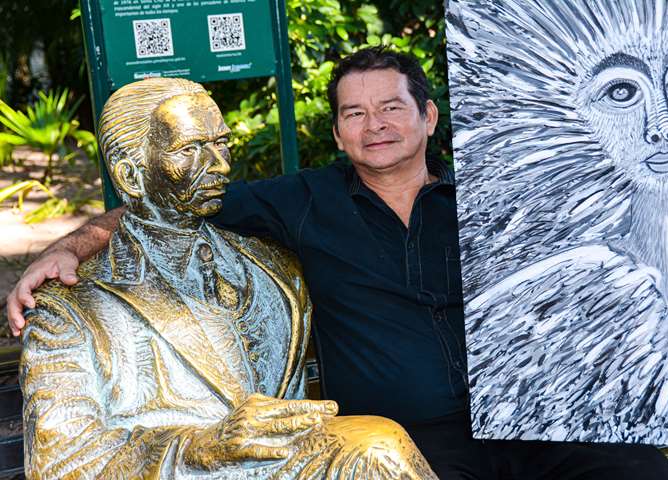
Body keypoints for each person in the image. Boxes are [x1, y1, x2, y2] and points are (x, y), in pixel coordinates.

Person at [7, 47, 668, 479]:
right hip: (421, 441)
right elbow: (150, 208)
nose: (374, 125)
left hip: (532, 422)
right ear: (335, 132)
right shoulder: (298, 204)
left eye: (391, 107)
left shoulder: (496, 195)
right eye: (353, 113)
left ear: (427, 116)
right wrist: (71, 244)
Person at [19, 77, 435, 479]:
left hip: (287, 466)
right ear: (130, 174)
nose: (219, 165)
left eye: (222, 144)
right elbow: (60, 462)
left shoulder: (274, 272)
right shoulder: (71, 306)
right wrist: (200, 446)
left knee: (378, 447)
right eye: (193, 149)